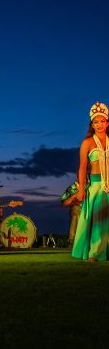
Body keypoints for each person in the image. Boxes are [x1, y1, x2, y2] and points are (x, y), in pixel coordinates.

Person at [72, 102, 109, 261]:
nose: (99, 124)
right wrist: (81, 189)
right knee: (98, 220)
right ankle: (94, 254)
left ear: (107, 122)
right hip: (95, 186)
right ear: (92, 124)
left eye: (102, 121)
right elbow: (82, 168)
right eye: (96, 122)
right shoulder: (87, 143)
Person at [60, 180, 83, 248]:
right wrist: (74, 195)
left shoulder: (91, 184)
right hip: (78, 209)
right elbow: (64, 202)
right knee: (76, 210)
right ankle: (72, 240)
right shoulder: (73, 188)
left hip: (91, 208)